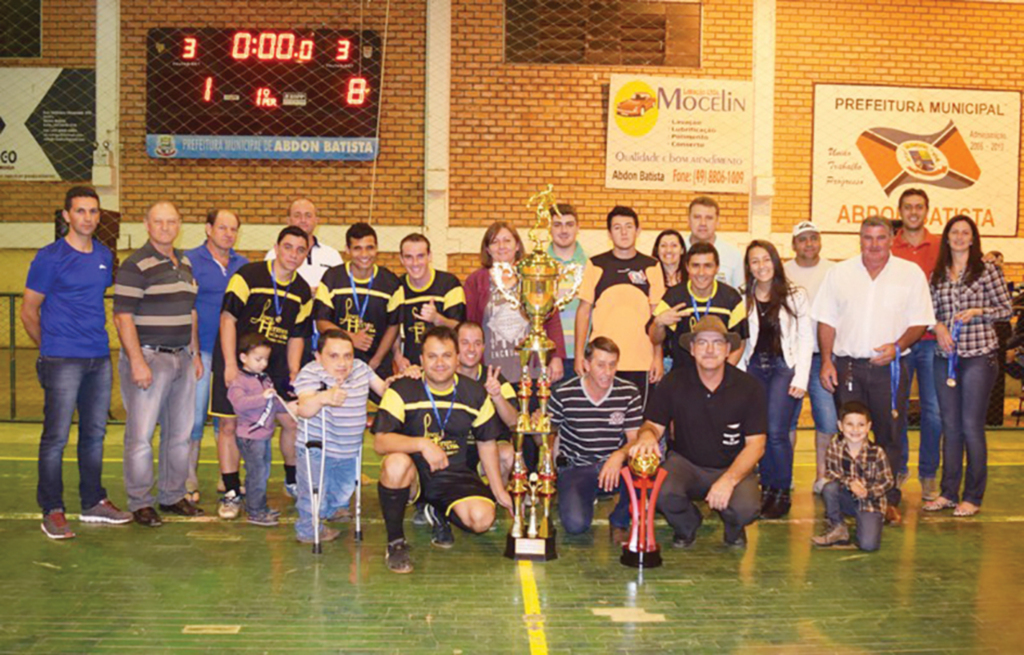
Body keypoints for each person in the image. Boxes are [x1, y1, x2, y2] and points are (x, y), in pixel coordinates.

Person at [22, 186, 132, 539]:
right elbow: (29, 310)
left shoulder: (103, 255)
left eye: (93, 211)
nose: (88, 217)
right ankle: (52, 510)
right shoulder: (49, 258)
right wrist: (50, 349)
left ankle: (93, 502)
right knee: (55, 438)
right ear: (67, 215)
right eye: (81, 211)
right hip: (61, 360)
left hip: (98, 359)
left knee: (94, 436)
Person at [812, 216, 936, 525]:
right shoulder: (839, 273)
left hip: (889, 369)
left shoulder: (910, 274)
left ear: (892, 239)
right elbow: (826, 320)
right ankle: (849, 496)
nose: (874, 244)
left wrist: (898, 345)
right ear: (860, 239)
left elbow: (920, 320)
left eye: (880, 238)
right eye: (868, 238)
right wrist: (827, 360)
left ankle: (887, 499)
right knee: (851, 434)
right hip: (848, 367)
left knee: (888, 434)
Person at [372, 326, 511, 574]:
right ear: (421, 360)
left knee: (482, 520)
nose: (439, 363)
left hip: (453, 473)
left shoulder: (475, 393)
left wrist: (499, 491)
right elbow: (381, 442)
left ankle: (436, 509)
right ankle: (395, 543)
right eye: (432, 356)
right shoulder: (401, 390)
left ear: (457, 358)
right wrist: (422, 444)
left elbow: (486, 442)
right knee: (395, 464)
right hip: (414, 473)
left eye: (446, 355)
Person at [632, 316, 766, 548]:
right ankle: (688, 525)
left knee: (747, 508)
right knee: (662, 492)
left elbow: (756, 445)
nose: (710, 349)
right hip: (686, 464)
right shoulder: (673, 382)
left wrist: (729, 480)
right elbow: (653, 425)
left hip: (732, 465)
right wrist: (646, 435)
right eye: (702, 342)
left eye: (717, 342)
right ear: (692, 349)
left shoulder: (749, 387)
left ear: (727, 349)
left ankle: (734, 529)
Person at [112, 201, 204, 527]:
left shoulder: (186, 262)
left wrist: (193, 353)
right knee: (141, 435)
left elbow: (189, 311)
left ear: (179, 224)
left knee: (179, 434)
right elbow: (122, 317)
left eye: (171, 221)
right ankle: (141, 502)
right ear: (147, 224)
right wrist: (137, 361)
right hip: (150, 357)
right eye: (158, 221)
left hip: (182, 357)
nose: (165, 227)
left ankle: (172, 495)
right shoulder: (134, 265)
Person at [211, 226, 311, 519]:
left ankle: (292, 481)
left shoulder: (303, 290)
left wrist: (293, 370)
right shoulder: (248, 276)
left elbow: (297, 335)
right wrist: (230, 364)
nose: (293, 254)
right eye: (288, 247)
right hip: (239, 366)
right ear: (277, 247)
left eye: (300, 249)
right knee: (229, 427)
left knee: (292, 424)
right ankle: (232, 491)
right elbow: (227, 319)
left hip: (275, 370)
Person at [923, 216, 1012, 517]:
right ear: (946, 238)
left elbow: (1006, 309)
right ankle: (948, 493)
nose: (960, 237)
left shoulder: (987, 271)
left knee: (971, 426)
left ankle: (973, 496)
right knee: (950, 426)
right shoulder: (936, 275)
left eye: (966, 233)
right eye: (954, 232)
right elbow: (926, 312)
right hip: (944, 358)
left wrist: (978, 310)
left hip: (979, 357)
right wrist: (937, 327)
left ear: (973, 239)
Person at [293, 330, 410, 544]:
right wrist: (323, 398)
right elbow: (304, 408)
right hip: (317, 448)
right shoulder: (310, 373)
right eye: (334, 356)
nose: (342, 363)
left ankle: (333, 509)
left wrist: (398, 382)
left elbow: (384, 390)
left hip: (349, 448)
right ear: (318, 357)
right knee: (313, 493)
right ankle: (308, 530)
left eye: (348, 355)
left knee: (343, 489)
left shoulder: (361, 369)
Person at [738, 240, 812, 518]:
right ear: (749, 267)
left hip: (784, 367)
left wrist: (801, 378)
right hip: (755, 368)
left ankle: (781, 491)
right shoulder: (742, 294)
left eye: (766, 259)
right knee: (761, 433)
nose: (761, 266)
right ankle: (766, 488)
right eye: (755, 261)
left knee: (778, 432)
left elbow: (806, 338)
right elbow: (741, 339)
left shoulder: (795, 295)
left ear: (775, 261)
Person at [549, 337, 642, 541]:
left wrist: (618, 456)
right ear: (586, 364)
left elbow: (635, 439)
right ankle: (580, 496)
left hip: (613, 466)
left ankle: (619, 521)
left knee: (645, 472)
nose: (607, 372)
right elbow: (547, 437)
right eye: (600, 365)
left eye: (612, 365)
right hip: (577, 467)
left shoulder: (628, 392)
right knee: (575, 526)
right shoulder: (563, 393)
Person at [184, 209, 248, 503]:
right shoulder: (189, 261)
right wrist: (194, 353)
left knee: (227, 420)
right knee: (194, 418)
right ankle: (188, 478)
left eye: (233, 229)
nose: (228, 234)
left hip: (231, 356)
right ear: (208, 228)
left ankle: (228, 476)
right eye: (222, 227)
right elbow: (186, 309)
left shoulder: (243, 265)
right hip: (202, 352)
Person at [575, 206, 665, 408]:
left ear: (638, 231)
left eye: (628, 227)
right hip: (602, 363)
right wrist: (580, 354)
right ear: (609, 233)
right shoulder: (595, 264)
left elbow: (658, 319)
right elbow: (583, 311)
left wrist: (657, 357)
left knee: (638, 426)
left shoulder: (652, 265)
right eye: (617, 227)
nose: (623, 232)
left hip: (641, 361)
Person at [464, 221, 566, 385]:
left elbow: (551, 318)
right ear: (488, 249)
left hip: (532, 368)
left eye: (507, 240)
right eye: (495, 242)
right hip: (492, 371)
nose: (501, 246)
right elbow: (469, 324)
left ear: (517, 245)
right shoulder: (476, 281)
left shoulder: (533, 275)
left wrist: (556, 356)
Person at [891, 188, 943, 499]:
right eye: (908, 207)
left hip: (932, 341)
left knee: (933, 411)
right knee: (895, 408)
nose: (913, 212)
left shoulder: (939, 245)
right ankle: (898, 469)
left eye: (919, 207)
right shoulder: (888, 244)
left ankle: (928, 475)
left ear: (927, 210)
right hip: (900, 342)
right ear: (899, 210)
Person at [783, 221, 837, 494]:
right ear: (794, 244)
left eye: (813, 238)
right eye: (802, 239)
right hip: (790, 359)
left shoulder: (834, 272)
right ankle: (786, 475)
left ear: (820, 241)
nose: (808, 244)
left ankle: (822, 476)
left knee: (827, 419)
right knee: (787, 420)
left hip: (823, 357)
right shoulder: (783, 272)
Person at [315, 222, 401, 386]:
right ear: (347, 250)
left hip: (378, 364)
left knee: (383, 407)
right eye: (357, 248)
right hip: (336, 364)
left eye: (369, 248)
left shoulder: (391, 282)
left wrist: (376, 361)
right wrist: (350, 338)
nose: (364, 254)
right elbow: (321, 322)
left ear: (376, 249)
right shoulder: (332, 278)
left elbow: (393, 326)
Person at [226, 333, 293, 527]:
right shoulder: (239, 381)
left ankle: (259, 507)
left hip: (263, 436)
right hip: (250, 437)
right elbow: (239, 404)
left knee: (262, 472)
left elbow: (272, 404)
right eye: (258, 359)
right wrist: (262, 397)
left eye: (266, 359)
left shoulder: (264, 378)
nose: (263, 363)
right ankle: (255, 511)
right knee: (256, 473)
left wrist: (289, 406)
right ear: (243, 357)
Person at [650, 242, 747, 371]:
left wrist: (723, 373)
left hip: (718, 376)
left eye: (708, 266)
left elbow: (740, 343)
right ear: (687, 267)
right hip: (682, 375)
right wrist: (658, 323)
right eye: (695, 266)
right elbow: (655, 338)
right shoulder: (674, 296)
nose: (701, 273)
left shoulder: (731, 298)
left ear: (717, 268)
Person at [811, 401, 894, 552]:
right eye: (849, 424)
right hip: (847, 497)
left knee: (868, 546)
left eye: (861, 425)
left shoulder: (877, 452)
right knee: (829, 488)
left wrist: (867, 491)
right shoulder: (835, 447)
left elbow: (888, 481)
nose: (855, 430)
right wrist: (850, 483)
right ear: (840, 426)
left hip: (870, 503)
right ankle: (838, 527)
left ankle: (874, 519)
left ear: (868, 427)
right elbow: (831, 472)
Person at [392, 233, 466, 371]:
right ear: (401, 259)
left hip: (443, 368)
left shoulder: (449, 284)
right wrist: (398, 357)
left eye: (420, 256)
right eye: (409, 257)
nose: (415, 263)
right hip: (411, 369)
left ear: (430, 256)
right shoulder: (397, 287)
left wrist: (437, 319)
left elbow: (460, 329)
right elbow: (392, 328)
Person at [455, 321, 517, 481]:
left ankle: (495, 499)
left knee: (509, 454)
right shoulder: (442, 376)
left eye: (477, 343)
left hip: (487, 451)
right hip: (453, 451)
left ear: (483, 347)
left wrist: (497, 397)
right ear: (454, 346)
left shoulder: (495, 378)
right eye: (465, 343)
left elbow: (515, 422)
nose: (471, 349)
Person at [265, 198, 343, 294]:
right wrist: (304, 293)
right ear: (288, 220)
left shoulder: (332, 255)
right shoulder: (274, 254)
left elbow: (340, 288)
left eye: (308, 215)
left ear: (316, 220)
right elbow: (268, 287)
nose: (303, 220)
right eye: (297, 215)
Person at [548, 204, 588, 374]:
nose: (563, 230)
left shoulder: (591, 266)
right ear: (549, 228)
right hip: (547, 356)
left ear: (578, 228)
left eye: (569, 224)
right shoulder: (538, 266)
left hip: (582, 356)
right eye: (557, 225)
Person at [683, 196, 744, 288]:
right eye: (697, 217)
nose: (703, 223)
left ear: (717, 221)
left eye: (709, 218)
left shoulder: (733, 255)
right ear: (688, 220)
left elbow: (741, 295)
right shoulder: (677, 251)